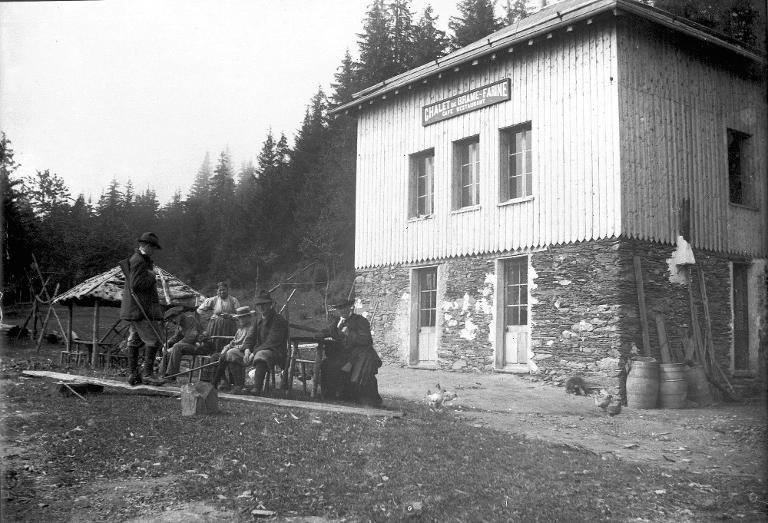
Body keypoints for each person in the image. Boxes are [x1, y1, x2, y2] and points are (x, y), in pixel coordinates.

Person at [119, 232, 165, 386]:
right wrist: (152, 276)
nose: (153, 251)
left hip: (136, 309)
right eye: (153, 248)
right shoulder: (139, 261)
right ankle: (147, 375)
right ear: (146, 246)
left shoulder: (139, 259)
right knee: (153, 340)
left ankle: (133, 375)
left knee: (134, 340)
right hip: (140, 309)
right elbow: (136, 285)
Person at [323, 298, 383, 407]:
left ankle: (368, 400)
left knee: (361, 373)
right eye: (339, 308)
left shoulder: (360, 321)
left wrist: (349, 334)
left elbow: (367, 340)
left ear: (350, 308)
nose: (342, 310)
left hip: (362, 354)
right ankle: (336, 395)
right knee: (328, 364)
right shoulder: (336, 322)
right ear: (337, 310)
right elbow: (327, 332)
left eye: (344, 307)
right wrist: (319, 334)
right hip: (345, 355)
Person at [242, 290, 289, 395]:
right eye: (259, 304)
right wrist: (247, 350)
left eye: (264, 304)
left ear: (270, 304)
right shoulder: (257, 320)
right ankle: (238, 386)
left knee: (261, 354)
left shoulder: (278, 320)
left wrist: (254, 352)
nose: (261, 307)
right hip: (259, 350)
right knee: (232, 353)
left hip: (276, 352)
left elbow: (272, 341)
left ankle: (257, 388)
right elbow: (250, 337)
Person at [210, 306, 257, 392]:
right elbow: (234, 342)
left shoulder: (251, 328)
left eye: (243, 317)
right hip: (235, 351)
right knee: (215, 357)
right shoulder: (240, 329)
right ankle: (223, 381)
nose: (241, 319)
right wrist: (226, 347)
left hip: (246, 353)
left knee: (228, 355)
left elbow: (246, 345)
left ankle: (215, 383)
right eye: (239, 318)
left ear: (248, 317)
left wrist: (231, 348)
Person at [160, 306, 212, 382]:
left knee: (177, 346)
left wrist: (173, 346)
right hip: (191, 346)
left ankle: (171, 376)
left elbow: (191, 337)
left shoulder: (190, 320)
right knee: (167, 349)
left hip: (201, 346)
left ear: (180, 315)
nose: (173, 321)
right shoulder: (180, 324)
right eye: (171, 320)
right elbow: (176, 337)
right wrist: (167, 343)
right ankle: (163, 375)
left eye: (174, 318)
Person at [196, 282, 240, 352]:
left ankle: (226, 356)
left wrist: (230, 316)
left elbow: (240, 315)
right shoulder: (213, 300)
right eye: (220, 290)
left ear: (227, 290)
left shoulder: (233, 300)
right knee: (214, 343)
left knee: (228, 344)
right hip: (215, 326)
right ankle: (214, 356)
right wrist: (208, 317)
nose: (222, 292)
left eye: (224, 290)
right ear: (217, 291)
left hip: (229, 327)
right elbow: (199, 310)